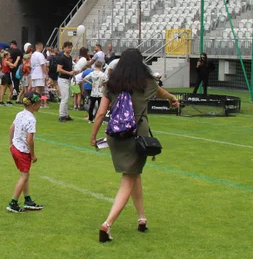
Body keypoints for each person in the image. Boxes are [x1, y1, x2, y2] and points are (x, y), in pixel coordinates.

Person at [89, 48, 180, 244]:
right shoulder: (146, 83)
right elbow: (162, 93)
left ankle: (142, 218)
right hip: (137, 136)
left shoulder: (112, 83)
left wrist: (94, 135)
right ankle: (107, 224)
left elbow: (100, 113)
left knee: (134, 173)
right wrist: (173, 100)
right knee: (129, 178)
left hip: (115, 135)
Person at [6, 91, 44, 213]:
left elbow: (11, 128)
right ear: (33, 105)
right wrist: (32, 155)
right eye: (39, 103)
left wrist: (11, 143)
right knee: (24, 176)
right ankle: (13, 203)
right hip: (22, 151)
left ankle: (27, 199)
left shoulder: (20, 114)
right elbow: (30, 140)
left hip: (15, 148)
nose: (40, 105)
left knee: (24, 174)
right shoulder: (31, 119)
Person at [54, 41, 75, 122]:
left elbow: (70, 68)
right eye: (68, 47)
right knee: (64, 98)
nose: (70, 49)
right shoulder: (62, 57)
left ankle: (66, 114)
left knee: (66, 97)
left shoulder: (69, 57)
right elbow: (59, 69)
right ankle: (62, 115)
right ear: (64, 48)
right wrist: (69, 73)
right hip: (62, 79)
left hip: (67, 79)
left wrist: (72, 75)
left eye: (71, 47)